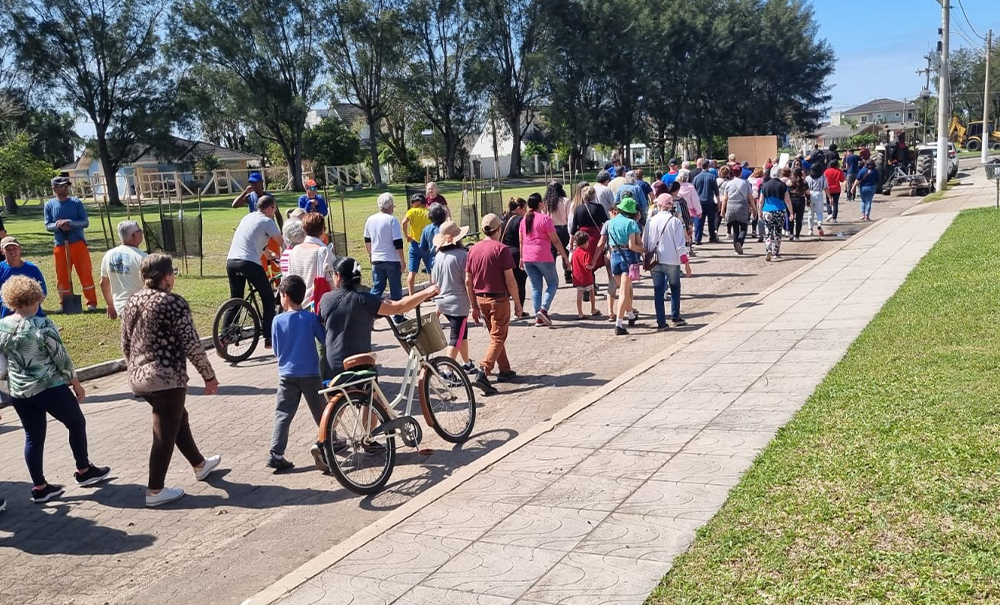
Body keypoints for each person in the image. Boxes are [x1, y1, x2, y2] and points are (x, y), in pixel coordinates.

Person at [0, 276, 111, 504]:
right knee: (76, 423)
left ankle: (40, 487)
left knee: (33, 436)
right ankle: (84, 469)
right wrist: (76, 383)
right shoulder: (43, 324)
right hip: (49, 386)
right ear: (35, 298)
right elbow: (61, 358)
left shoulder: (2, 326)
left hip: (19, 392)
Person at [121, 254, 221, 507]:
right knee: (164, 432)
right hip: (165, 377)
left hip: (139, 375)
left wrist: (132, 367)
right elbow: (191, 343)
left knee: (177, 418)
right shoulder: (173, 303)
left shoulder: (133, 300)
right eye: (172, 273)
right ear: (166, 276)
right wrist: (209, 376)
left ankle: (199, 464)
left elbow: (126, 341)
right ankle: (155, 490)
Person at [320, 256, 439, 378]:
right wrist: (426, 292)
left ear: (338, 276)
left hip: (333, 368)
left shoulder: (325, 300)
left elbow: (322, 324)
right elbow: (398, 307)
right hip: (362, 367)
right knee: (372, 394)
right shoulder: (365, 300)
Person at [266, 275, 330, 473]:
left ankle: (276, 454)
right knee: (321, 413)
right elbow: (323, 338)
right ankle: (329, 445)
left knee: (283, 414)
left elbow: (276, 349)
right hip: (311, 374)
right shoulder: (310, 318)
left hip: (286, 374)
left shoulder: (277, 321)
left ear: (285, 296)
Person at [465, 214, 523, 392]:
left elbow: (468, 280)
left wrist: (473, 305)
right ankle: (484, 371)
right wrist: (518, 303)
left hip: (481, 298)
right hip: (498, 298)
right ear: (499, 229)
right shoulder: (501, 249)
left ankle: (504, 369)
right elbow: (511, 281)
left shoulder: (473, 249)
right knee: (498, 337)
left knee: (496, 336)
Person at [226, 194, 283, 347]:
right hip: (249, 263)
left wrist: (268, 255)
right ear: (270, 208)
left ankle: (224, 337)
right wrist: (288, 255)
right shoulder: (267, 221)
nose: (274, 212)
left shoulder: (248, 218)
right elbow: (281, 241)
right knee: (268, 298)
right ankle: (268, 337)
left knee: (235, 300)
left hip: (232, 262)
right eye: (274, 209)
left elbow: (254, 240)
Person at [44, 176, 98, 310]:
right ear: (54, 188)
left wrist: (70, 223)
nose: (65, 188)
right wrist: (58, 225)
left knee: (85, 273)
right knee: (62, 276)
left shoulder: (76, 203)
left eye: (67, 186)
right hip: (60, 245)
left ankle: (91, 303)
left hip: (78, 243)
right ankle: (65, 303)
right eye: (62, 186)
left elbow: (85, 222)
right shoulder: (49, 205)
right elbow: (48, 225)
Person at [592, 198, 644, 335]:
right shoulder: (631, 223)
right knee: (624, 292)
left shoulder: (610, 223)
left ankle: (631, 315)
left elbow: (602, 242)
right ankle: (619, 324)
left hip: (614, 256)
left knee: (622, 288)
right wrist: (646, 250)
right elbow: (634, 246)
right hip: (628, 258)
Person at [429, 221, 475, 373]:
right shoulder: (462, 256)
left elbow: (433, 281)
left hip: (443, 302)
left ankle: (467, 362)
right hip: (458, 304)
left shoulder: (438, 256)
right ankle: (448, 371)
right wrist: (475, 305)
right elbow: (467, 281)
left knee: (462, 334)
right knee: (456, 337)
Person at [520, 193, 570, 327]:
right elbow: (555, 240)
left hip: (527, 256)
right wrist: (565, 257)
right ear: (540, 204)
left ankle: (539, 317)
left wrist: (521, 257)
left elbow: (521, 240)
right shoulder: (544, 219)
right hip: (542, 255)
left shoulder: (524, 219)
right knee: (553, 283)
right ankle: (543, 309)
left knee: (536, 287)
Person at [644, 194, 692, 330]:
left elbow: (645, 243)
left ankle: (661, 322)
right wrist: (686, 264)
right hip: (672, 260)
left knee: (658, 291)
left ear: (658, 205)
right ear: (671, 206)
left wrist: (645, 259)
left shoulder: (650, 221)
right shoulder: (675, 222)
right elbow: (680, 246)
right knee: (675, 287)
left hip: (655, 260)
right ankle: (675, 316)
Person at [364, 193, 406, 320]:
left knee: (377, 288)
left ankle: (367, 315)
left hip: (377, 259)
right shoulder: (392, 220)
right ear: (390, 206)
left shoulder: (370, 219)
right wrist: (402, 260)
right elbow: (398, 243)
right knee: (395, 290)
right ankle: (398, 316)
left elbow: (367, 239)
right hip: (391, 259)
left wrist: (370, 254)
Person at [287, 212, 337, 310]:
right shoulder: (323, 251)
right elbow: (333, 281)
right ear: (322, 230)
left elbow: (290, 276)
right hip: (318, 304)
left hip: (298, 304)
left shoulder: (294, 250)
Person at [99, 221, 148, 320]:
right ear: (133, 235)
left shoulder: (108, 255)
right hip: (142, 307)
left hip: (121, 309)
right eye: (140, 231)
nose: (142, 233)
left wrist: (110, 304)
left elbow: (103, 283)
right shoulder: (143, 258)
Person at [0, 237, 47, 318]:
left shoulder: (32, 268)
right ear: (2, 251)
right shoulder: (1, 268)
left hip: (33, 315)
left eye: (15, 248)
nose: (12, 252)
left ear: (20, 249)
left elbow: (43, 292)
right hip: (7, 315)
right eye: (8, 249)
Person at [500, 198, 529, 315]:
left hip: (502, 253)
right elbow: (524, 239)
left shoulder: (502, 218)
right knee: (520, 283)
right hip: (516, 254)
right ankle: (519, 310)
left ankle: (504, 310)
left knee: (505, 283)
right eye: (524, 209)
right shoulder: (520, 220)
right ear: (518, 209)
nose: (526, 212)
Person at [759, 167, 794, 261]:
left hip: (767, 210)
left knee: (768, 230)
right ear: (780, 174)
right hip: (780, 210)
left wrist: (760, 212)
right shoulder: (783, 186)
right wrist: (791, 213)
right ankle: (775, 251)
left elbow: (761, 201)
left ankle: (768, 247)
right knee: (778, 231)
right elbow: (787, 200)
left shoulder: (764, 185)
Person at [401, 194, 431, 296]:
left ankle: (410, 295)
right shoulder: (428, 212)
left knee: (412, 272)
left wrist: (406, 235)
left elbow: (404, 222)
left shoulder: (412, 211)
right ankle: (431, 294)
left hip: (414, 244)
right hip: (427, 245)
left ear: (416, 202)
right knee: (431, 271)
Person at [542, 181, 572, 283]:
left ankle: (551, 277)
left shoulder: (546, 203)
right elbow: (569, 217)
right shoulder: (566, 201)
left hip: (550, 229)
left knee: (551, 254)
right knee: (566, 253)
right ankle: (568, 275)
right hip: (563, 229)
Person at [719, 166, 753, 254]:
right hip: (742, 206)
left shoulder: (729, 183)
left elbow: (725, 198)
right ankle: (740, 242)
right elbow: (750, 197)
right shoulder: (746, 183)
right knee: (744, 227)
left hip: (731, 206)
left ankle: (736, 249)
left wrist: (722, 210)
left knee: (735, 229)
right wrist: (754, 208)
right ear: (741, 172)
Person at [570, 231, 598, 319]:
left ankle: (580, 313)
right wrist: (592, 265)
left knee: (579, 294)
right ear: (585, 242)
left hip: (577, 278)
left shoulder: (574, 253)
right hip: (586, 277)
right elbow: (587, 266)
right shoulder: (586, 253)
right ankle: (593, 309)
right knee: (591, 292)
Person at [692, 160, 721, 244]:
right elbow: (716, 191)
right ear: (708, 166)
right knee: (711, 220)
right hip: (709, 201)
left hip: (699, 202)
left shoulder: (697, 177)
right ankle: (712, 237)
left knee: (699, 221)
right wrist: (718, 202)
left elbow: (693, 190)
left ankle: (697, 239)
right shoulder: (712, 176)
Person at [419, 203, 448, 267]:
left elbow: (422, 247)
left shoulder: (426, 229)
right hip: (446, 260)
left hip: (433, 261)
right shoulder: (447, 227)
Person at [805, 163, 829, 237]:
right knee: (819, 212)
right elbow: (825, 188)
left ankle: (810, 229)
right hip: (819, 193)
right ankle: (819, 223)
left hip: (810, 194)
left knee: (810, 213)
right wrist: (830, 197)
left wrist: (806, 198)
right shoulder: (823, 177)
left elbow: (805, 189)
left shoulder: (808, 178)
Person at [787, 168, 809, 241]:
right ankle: (797, 236)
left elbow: (786, 192)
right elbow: (807, 193)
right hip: (800, 200)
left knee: (791, 217)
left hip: (791, 201)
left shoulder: (789, 182)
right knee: (799, 219)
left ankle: (791, 234)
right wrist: (808, 201)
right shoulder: (804, 182)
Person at [748, 167, 766, 242]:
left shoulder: (751, 180)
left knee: (754, 215)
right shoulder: (762, 180)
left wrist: (753, 173)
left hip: (752, 198)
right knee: (760, 216)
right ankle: (762, 232)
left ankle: (753, 230)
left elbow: (749, 177)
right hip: (759, 198)